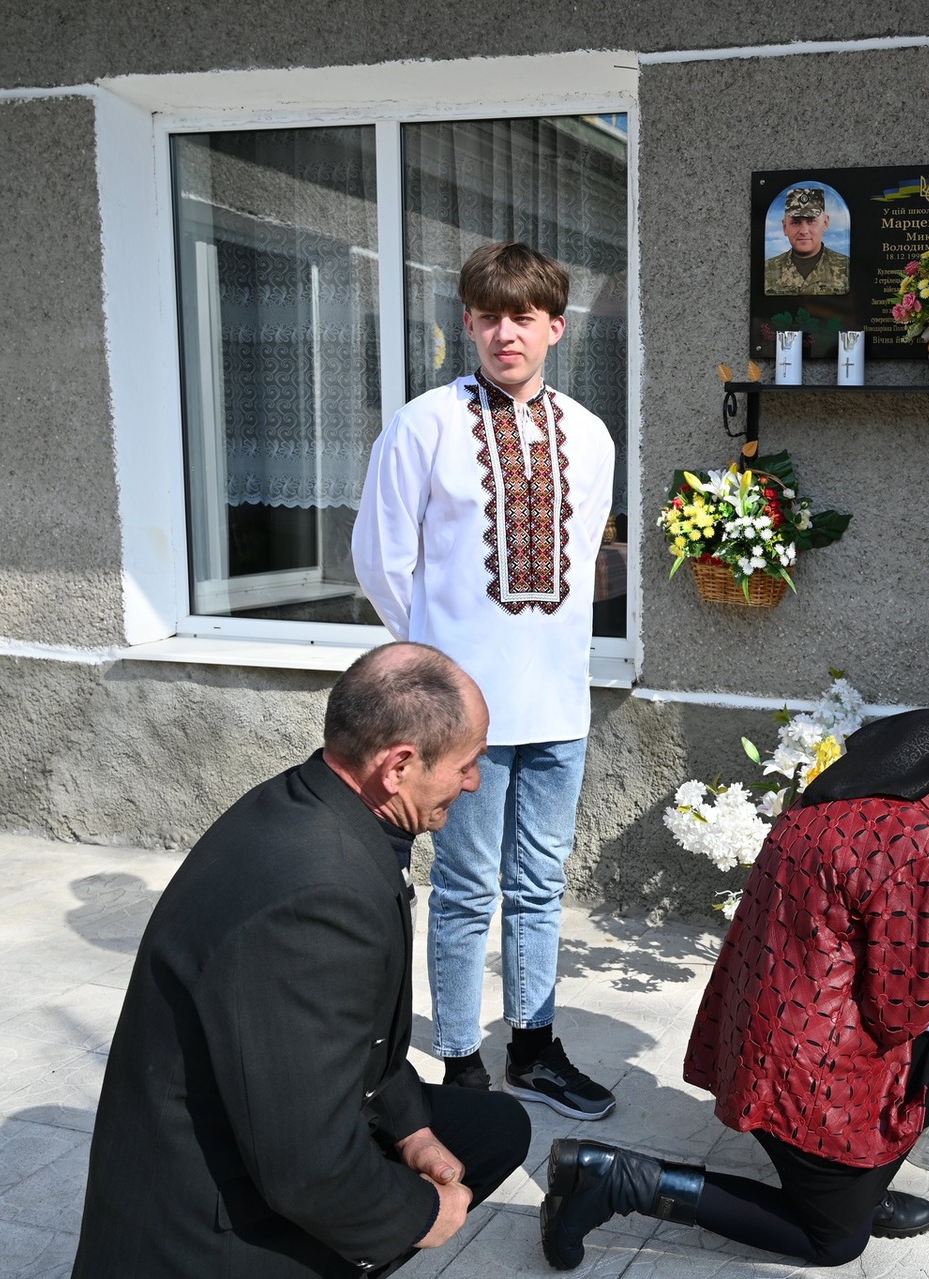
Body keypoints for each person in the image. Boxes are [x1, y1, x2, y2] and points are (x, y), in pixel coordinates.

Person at [72, 643, 532, 1278]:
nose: (474, 781)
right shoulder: (321, 900)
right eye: (467, 763)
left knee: (492, 1129)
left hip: (264, 1116)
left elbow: (357, 1041)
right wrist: (417, 1215)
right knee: (389, 1202)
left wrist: (411, 1131)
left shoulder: (310, 801)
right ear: (398, 766)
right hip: (204, 1224)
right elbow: (306, 1166)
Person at [539, 707, 929, 1271]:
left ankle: (860, 1189)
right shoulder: (924, 842)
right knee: (834, 1243)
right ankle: (617, 1181)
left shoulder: (826, 803)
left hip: (753, 1044)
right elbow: (897, 1013)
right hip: (816, 1075)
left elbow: (845, 931)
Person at [353, 242, 618, 1119]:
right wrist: (436, 670)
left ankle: (534, 1046)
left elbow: (580, 563)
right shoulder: (424, 424)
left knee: (541, 884)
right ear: (467, 322)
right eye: (490, 316)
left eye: (524, 317)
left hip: (559, 703)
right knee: (467, 887)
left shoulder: (590, 435)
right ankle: (462, 1059)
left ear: (555, 328)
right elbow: (381, 558)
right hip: (461, 715)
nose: (507, 333)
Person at [763, 186, 851, 294]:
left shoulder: (848, 268)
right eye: (796, 222)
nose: (804, 231)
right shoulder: (766, 270)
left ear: (825, 223)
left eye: (811, 221)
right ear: (785, 227)